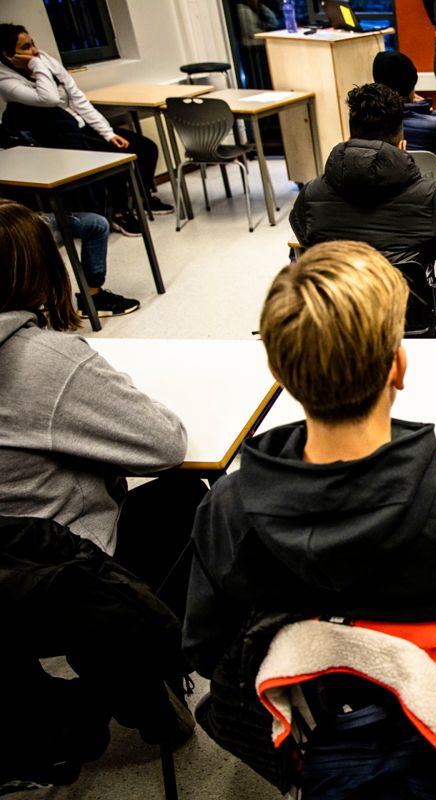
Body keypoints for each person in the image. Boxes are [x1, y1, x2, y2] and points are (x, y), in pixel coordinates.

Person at [183, 241, 436, 795]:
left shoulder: (224, 511)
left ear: (277, 372)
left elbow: (207, 648)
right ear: (400, 366)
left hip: (317, 732)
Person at [0, 200, 204, 613]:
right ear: (40, 269)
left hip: (9, 574)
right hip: (69, 577)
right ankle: (154, 655)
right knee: (190, 496)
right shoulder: (46, 361)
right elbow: (165, 446)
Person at [289, 82, 436, 331]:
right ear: (403, 146)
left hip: (341, 330)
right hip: (409, 328)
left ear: (349, 138)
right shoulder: (428, 196)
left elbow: (304, 237)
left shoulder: (310, 195)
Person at [0, 23, 173, 233]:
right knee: (113, 159)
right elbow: (49, 98)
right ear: (8, 55)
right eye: (26, 47)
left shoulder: (46, 60)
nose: (35, 51)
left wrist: (108, 133)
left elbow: (78, 99)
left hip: (78, 124)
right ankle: (119, 213)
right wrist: (37, 66)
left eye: (33, 43)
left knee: (146, 147)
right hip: (55, 137)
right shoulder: (6, 80)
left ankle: (142, 199)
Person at [372, 49, 436, 184]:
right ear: (412, 83)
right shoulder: (432, 123)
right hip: (429, 191)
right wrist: (430, 111)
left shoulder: (369, 122)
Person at [41, 211, 140, 316]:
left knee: (98, 223)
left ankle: (92, 295)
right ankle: (91, 297)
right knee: (97, 226)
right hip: (28, 218)